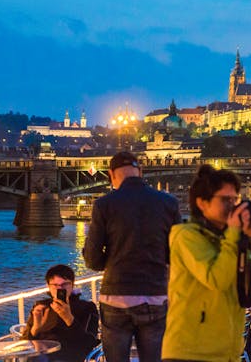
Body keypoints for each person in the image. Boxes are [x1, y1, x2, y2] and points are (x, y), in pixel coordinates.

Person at [161, 165, 251, 361]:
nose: (232, 206)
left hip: (227, 353)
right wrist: (233, 235)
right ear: (202, 203)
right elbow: (216, 280)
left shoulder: (231, 239)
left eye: (235, 199)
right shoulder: (186, 236)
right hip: (190, 353)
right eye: (225, 200)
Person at [83, 151, 181, 362]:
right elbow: (177, 255)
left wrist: (109, 260)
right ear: (141, 171)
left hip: (116, 297)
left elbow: (91, 259)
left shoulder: (104, 205)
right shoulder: (168, 203)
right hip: (155, 296)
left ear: (110, 174)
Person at [22, 264, 99, 362]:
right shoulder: (41, 307)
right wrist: (35, 329)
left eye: (65, 284)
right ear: (48, 286)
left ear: (72, 285)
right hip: (40, 355)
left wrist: (69, 318)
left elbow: (88, 343)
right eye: (55, 285)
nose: (60, 289)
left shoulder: (87, 308)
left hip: (69, 356)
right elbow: (23, 344)